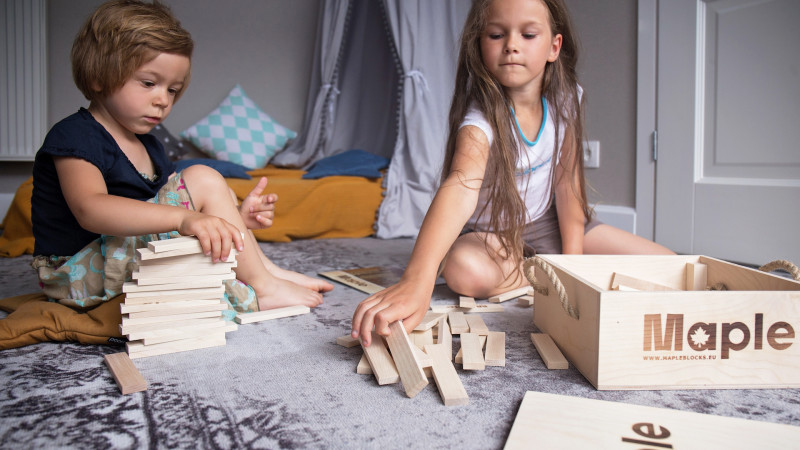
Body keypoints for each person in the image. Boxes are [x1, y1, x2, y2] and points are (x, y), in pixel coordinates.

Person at [352, 0, 673, 344]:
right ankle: (545, 272)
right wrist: (417, 279)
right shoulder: (479, 120)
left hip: (548, 222)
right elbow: (460, 186)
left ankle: (551, 269)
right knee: (463, 271)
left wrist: (574, 265)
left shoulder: (567, 99)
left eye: (529, 34)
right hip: (491, 236)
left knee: (667, 264)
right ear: (479, 44)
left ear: (554, 46)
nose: (512, 45)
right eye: (496, 34)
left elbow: (568, 187)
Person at [30, 0, 332, 313]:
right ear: (99, 77)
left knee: (212, 189)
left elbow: (168, 207)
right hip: (75, 271)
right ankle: (263, 287)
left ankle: (268, 272)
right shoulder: (75, 134)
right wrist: (187, 217)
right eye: (149, 83)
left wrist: (233, 217)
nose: (163, 100)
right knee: (202, 178)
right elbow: (91, 210)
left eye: (172, 90)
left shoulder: (150, 145)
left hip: (116, 256)